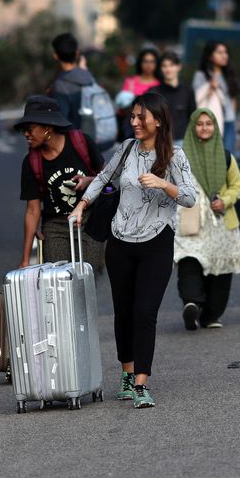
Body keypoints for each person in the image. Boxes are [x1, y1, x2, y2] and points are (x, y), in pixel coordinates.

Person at [70, 91, 196, 409]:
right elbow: (102, 178)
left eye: (141, 117)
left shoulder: (175, 156)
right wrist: (82, 206)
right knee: (123, 313)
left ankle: (141, 382)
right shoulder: (126, 148)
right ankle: (126, 374)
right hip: (120, 243)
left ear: (158, 120)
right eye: (133, 116)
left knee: (145, 313)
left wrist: (162, 183)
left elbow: (190, 197)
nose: (135, 122)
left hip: (156, 242)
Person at [174, 108, 240, 330]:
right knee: (189, 259)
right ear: (192, 127)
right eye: (199, 124)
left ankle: (211, 314)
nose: (204, 128)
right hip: (191, 220)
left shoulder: (226, 156)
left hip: (220, 221)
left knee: (220, 268)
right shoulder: (180, 157)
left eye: (209, 123)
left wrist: (225, 200)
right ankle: (192, 304)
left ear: (215, 127)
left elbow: (237, 185)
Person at [15, 95, 105, 272]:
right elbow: (32, 209)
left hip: (89, 221)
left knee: (87, 277)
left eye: (30, 128)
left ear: (48, 128)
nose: (26, 134)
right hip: (54, 226)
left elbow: (109, 176)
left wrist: (89, 180)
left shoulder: (82, 143)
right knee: (56, 280)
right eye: (23, 129)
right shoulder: (31, 161)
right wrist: (25, 259)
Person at [48, 32, 106, 145]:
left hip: (74, 146)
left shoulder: (60, 85)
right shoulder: (89, 77)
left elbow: (62, 122)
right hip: (93, 140)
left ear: (55, 55)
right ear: (77, 52)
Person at [193, 41, 240, 152]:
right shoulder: (201, 75)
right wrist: (210, 88)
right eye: (219, 52)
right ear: (210, 56)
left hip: (229, 121)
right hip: (209, 123)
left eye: (225, 52)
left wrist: (235, 126)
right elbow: (195, 99)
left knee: (228, 156)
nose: (224, 55)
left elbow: (232, 99)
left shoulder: (229, 75)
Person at [155, 51, 196, 142]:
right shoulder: (154, 92)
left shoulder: (188, 91)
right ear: (160, 68)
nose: (168, 69)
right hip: (159, 140)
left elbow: (193, 118)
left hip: (182, 140)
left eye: (171, 65)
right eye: (164, 66)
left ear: (179, 67)